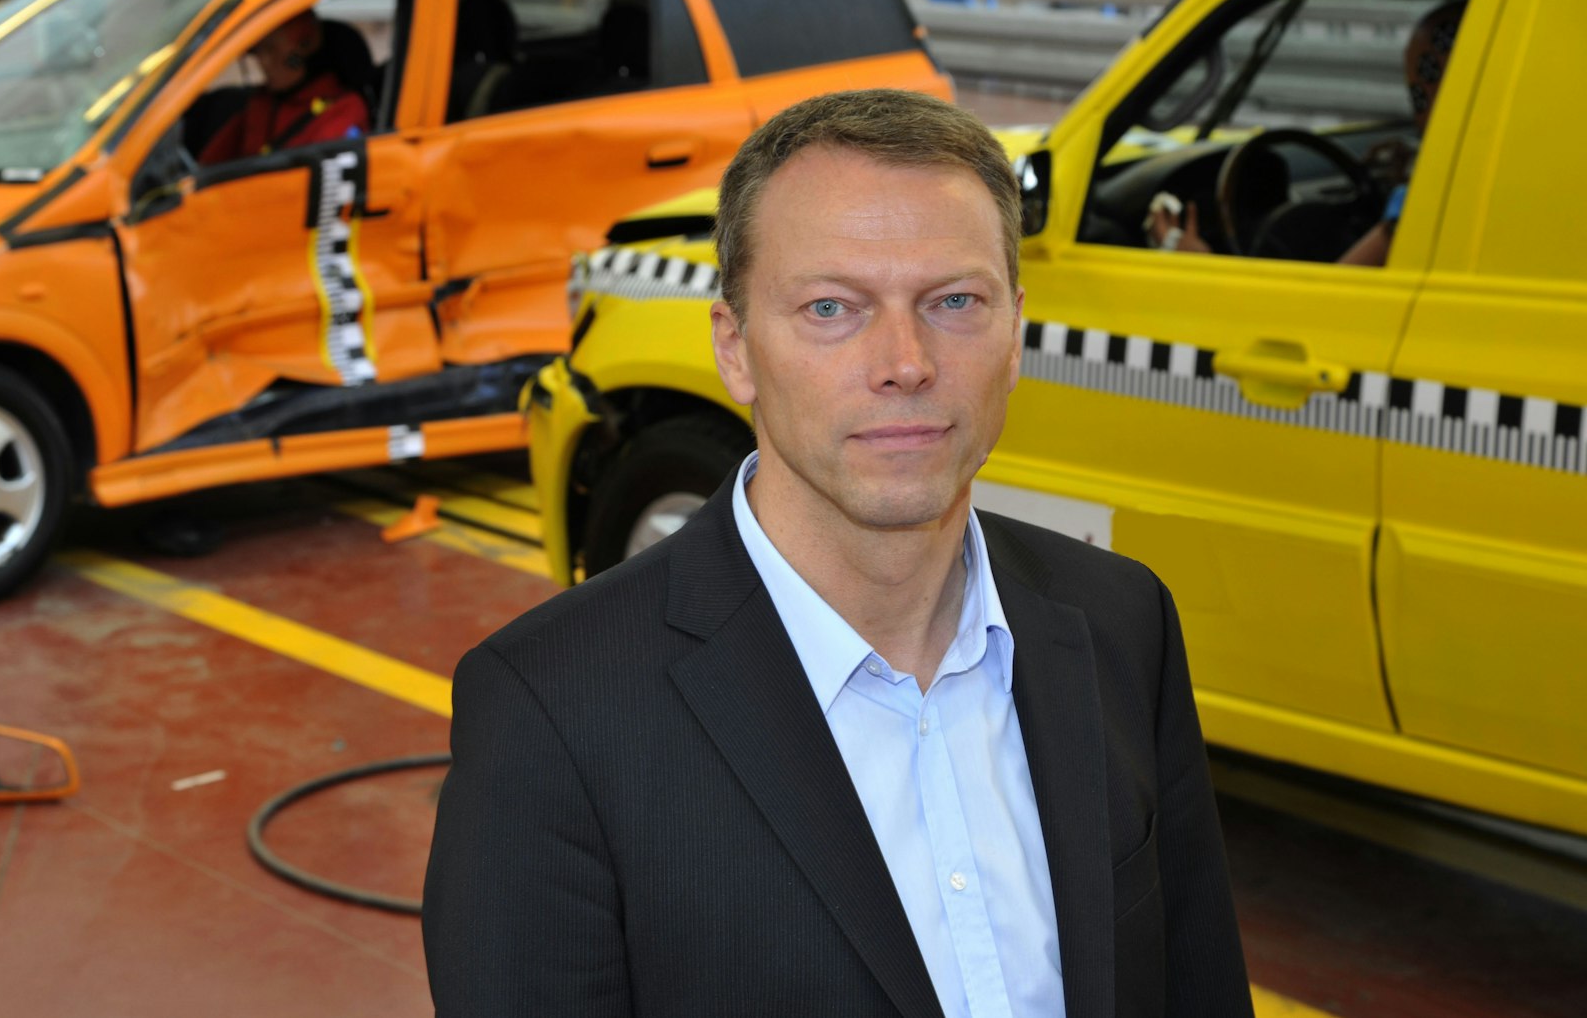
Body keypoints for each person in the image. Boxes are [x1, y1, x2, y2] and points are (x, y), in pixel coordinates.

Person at [423, 89, 1252, 1018]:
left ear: (1015, 331)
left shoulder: (1121, 622)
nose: (905, 360)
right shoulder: (552, 715)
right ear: (735, 350)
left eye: (953, 301)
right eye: (831, 307)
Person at [1149, 0, 1465, 265]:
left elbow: (1323, 302)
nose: (1422, 89)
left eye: (1429, 73)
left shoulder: (1433, 195)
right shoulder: (1458, 172)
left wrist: (1198, 264)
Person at [198, 12, 369, 166]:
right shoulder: (260, 103)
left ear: (303, 52)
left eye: (271, 49)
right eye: (258, 52)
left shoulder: (344, 109)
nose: (263, 62)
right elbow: (207, 165)